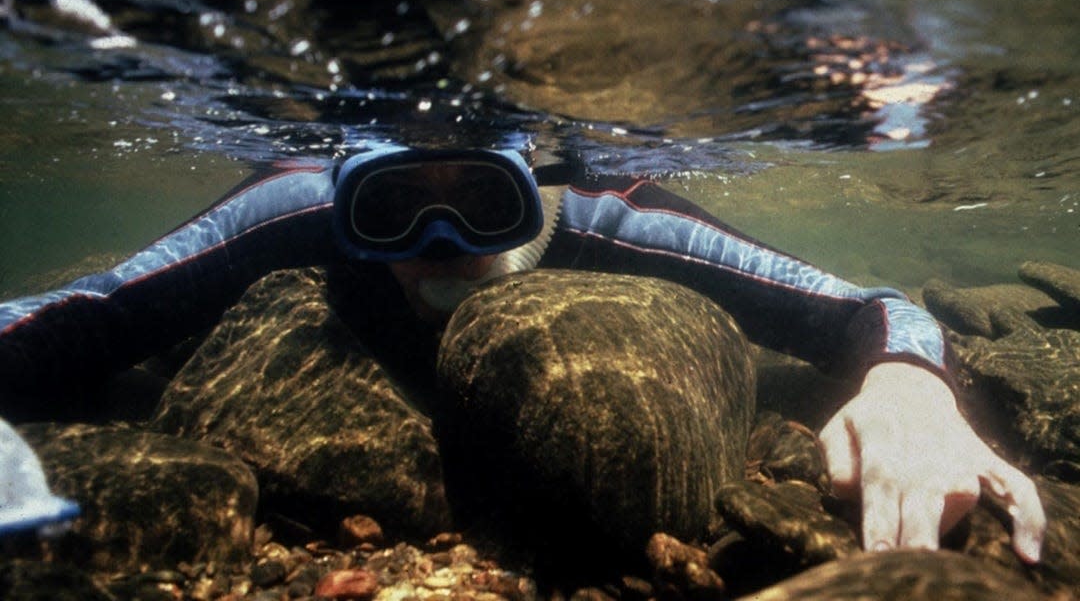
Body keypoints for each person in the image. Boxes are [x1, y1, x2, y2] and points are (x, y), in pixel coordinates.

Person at [0, 141, 1046, 560]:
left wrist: (911, 386)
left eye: (481, 205)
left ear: (533, 194)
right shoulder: (295, 209)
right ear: (342, 204)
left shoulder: (609, 216)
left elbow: (867, 306)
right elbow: (85, 313)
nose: (441, 244)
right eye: (395, 209)